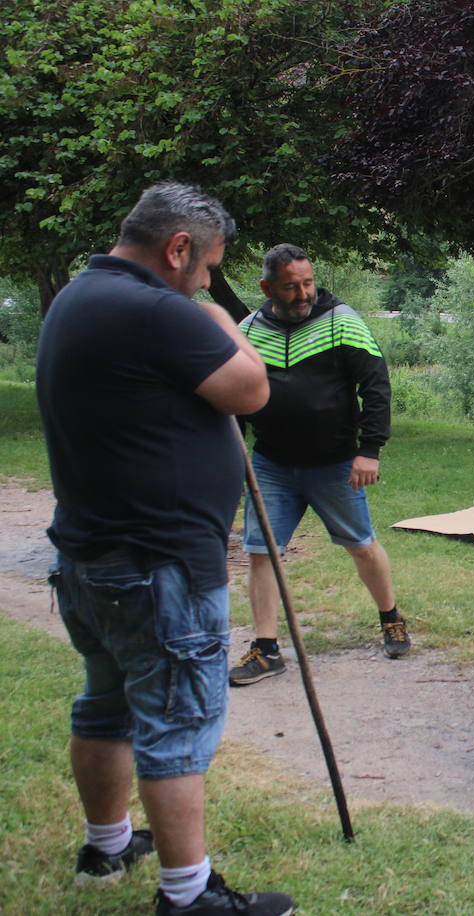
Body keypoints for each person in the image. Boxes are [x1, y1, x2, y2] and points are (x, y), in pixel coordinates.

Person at [37, 183, 294, 914]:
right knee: (177, 722)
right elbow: (251, 390)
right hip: (157, 565)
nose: (210, 281)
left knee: (107, 704)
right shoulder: (154, 310)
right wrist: (214, 313)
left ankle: (107, 844)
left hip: (93, 554)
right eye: (209, 266)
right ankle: (188, 897)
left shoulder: (80, 296)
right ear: (177, 250)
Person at [229, 244, 410, 686]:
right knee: (262, 553)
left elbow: (376, 384)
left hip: (334, 465)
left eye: (307, 283)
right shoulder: (249, 329)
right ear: (267, 287)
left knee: (361, 544)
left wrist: (370, 449)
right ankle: (267, 649)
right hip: (271, 465)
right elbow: (232, 394)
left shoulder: (341, 321)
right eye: (291, 286)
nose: (303, 293)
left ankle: (390, 616)